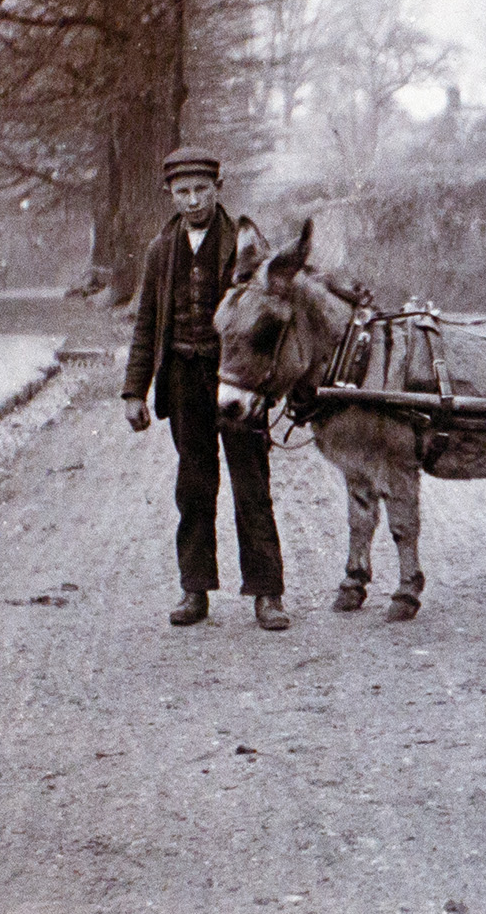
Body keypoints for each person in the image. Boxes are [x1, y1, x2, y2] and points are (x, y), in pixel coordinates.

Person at [121, 147, 290, 630]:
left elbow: (266, 317)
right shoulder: (160, 251)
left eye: (201, 190)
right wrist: (134, 392)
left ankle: (267, 594)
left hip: (235, 380)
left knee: (251, 484)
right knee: (194, 487)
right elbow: (146, 325)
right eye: (182, 192)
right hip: (183, 380)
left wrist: (268, 378)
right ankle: (194, 589)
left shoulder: (245, 245)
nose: (193, 200)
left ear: (218, 189)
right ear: (170, 195)